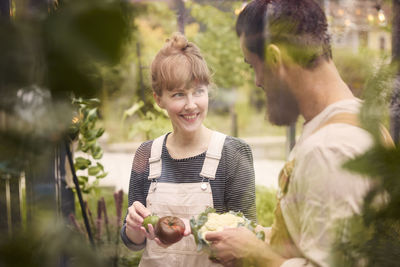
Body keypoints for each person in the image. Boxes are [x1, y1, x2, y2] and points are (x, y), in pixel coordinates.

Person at [205, 0, 394, 266]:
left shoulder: (330, 150)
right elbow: (316, 240)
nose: (257, 81)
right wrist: (255, 238)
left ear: (274, 59)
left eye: (252, 66)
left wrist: (254, 255)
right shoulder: (359, 121)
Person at [120, 32, 257, 267]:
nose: (191, 105)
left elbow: (249, 241)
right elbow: (134, 243)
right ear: (158, 99)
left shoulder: (233, 154)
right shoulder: (146, 154)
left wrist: (199, 233)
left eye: (198, 92)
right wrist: (133, 227)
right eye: (178, 94)